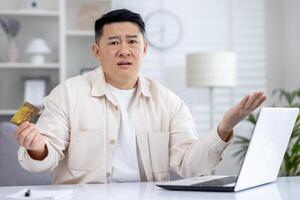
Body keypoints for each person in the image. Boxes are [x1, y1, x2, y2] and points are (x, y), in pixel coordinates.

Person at [14, 9, 266, 184]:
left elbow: (190, 166)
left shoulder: (169, 102)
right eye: (113, 43)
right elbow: (42, 159)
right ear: (96, 51)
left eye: (132, 42)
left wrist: (224, 128)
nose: (124, 50)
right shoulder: (67, 93)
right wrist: (38, 148)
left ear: (144, 49)